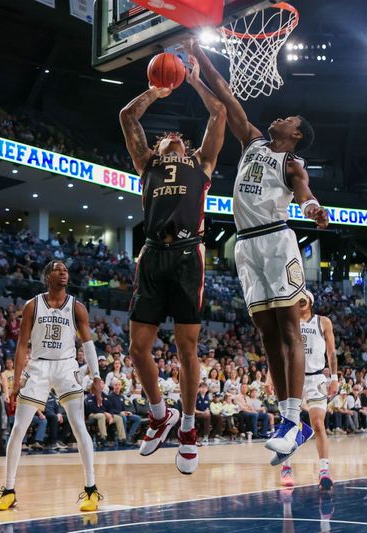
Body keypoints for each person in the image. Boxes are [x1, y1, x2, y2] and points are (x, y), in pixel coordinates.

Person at [188, 39, 328, 464]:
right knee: (267, 335)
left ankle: (291, 419)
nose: (279, 117)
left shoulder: (292, 164)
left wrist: (313, 208)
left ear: (296, 135)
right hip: (245, 246)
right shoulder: (251, 141)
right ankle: (291, 423)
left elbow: (304, 191)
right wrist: (200, 63)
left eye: (288, 118)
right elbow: (228, 99)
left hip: (276, 239)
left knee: (289, 330)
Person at [119, 55, 226, 475]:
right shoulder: (146, 163)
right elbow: (128, 114)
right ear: (157, 148)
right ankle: (158, 414)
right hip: (152, 255)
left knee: (186, 348)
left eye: (179, 137)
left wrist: (196, 81)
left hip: (187, 255)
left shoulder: (202, 163)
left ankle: (186, 428)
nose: (174, 138)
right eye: (167, 138)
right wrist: (157, 91)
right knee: (137, 348)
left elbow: (218, 111)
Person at [0, 261, 102, 513]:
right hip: (38, 366)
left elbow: (88, 344)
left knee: (78, 425)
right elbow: (21, 345)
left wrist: (96, 376)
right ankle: (8, 491)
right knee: (18, 428)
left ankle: (91, 490)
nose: (63, 272)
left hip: (66, 366)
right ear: (46, 276)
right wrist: (16, 379)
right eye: (57, 269)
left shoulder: (77, 307)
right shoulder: (32, 305)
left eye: (65, 269)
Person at [280, 291, 337, 489]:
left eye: (303, 299)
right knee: (290, 424)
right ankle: (286, 467)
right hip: (293, 378)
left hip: (317, 379)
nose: (300, 302)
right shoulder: (289, 323)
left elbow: (331, 352)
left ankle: (324, 470)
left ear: (311, 301)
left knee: (318, 424)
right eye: (297, 300)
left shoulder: (323, 322)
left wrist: (335, 378)